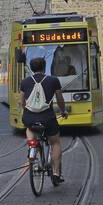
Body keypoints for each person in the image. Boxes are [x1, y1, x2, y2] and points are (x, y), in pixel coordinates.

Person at [20, 56, 69, 186]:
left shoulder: (24, 82)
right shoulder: (53, 80)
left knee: (29, 129)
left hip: (30, 117)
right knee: (55, 143)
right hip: (47, 117)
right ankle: (56, 173)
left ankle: (32, 146)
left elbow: (22, 102)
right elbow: (59, 99)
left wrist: (27, 112)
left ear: (31, 68)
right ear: (44, 67)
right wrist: (63, 111)